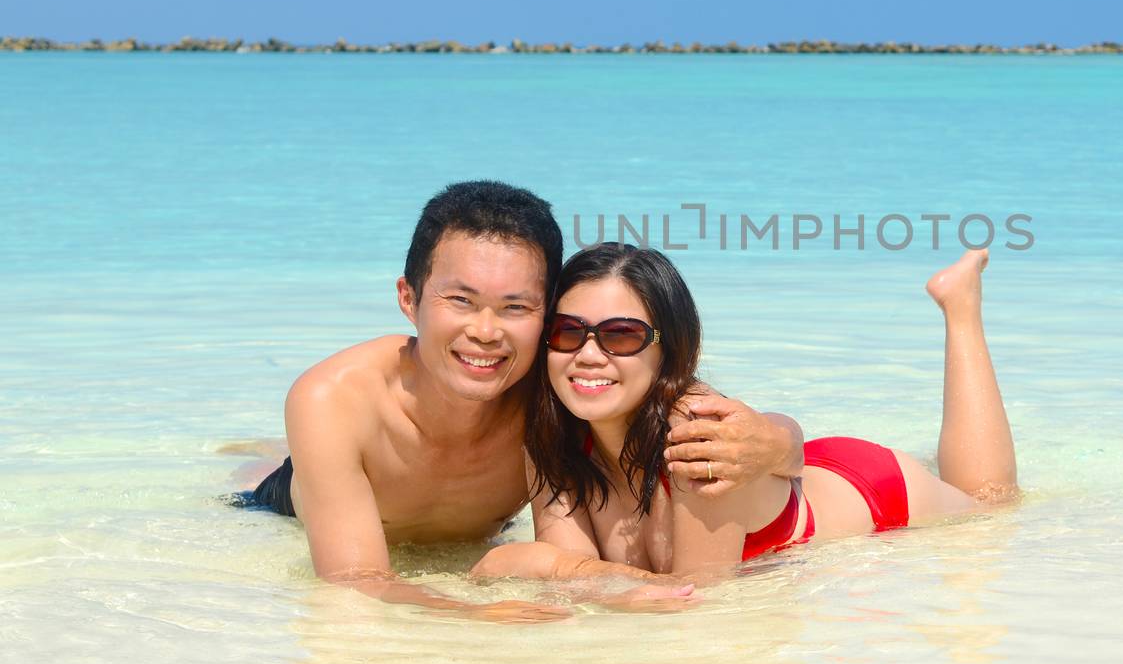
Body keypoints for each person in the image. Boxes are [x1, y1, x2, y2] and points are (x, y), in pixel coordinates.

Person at [232, 181, 805, 619]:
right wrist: (468, 614)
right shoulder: (331, 398)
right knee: (263, 480)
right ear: (409, 298)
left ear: (548, 313)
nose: (486, 332)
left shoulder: (565, 380)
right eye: (460, 299)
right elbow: (353, 581)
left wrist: (770, 442)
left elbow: (701, 405)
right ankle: (261, 454)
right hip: (304, 497)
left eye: (515, 307)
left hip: (465, 534)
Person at [473, 242, 1016, 582]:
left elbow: (698, 603)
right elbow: (586, 580)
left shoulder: (702, 445)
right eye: (569, 332)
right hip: (798, 475)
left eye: (621, 335)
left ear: (668, 350)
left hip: (874, 493)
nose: (589, 354)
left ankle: (960, 306)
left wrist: (544, 566)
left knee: (995, 507)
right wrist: (556, 568)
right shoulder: (551, 442)